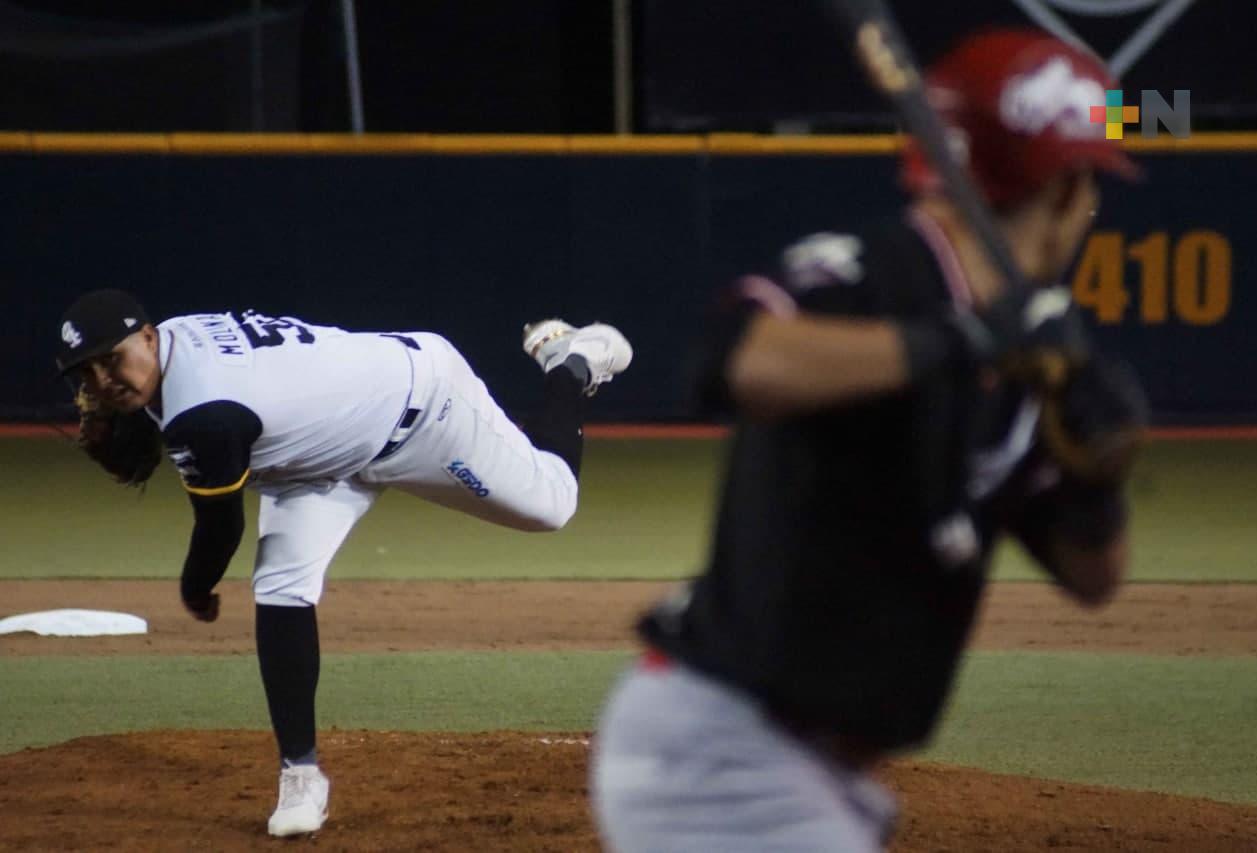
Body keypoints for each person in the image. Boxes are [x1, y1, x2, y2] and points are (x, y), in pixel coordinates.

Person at [590, 28, 1148, 852]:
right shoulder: (879, 273)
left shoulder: (1031, 358)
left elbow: (1093, 577)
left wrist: (1099, 480)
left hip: (810, 773)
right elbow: (736, 361)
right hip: (725, 754)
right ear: (1067, 191)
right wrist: (963, 343)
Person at [54, 292, 631, 837]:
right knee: (280, 587)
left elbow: (220, 527)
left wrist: (195, 587)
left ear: (149, 338)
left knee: (552, 505)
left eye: (112, 360)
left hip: (422, 409)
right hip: (314, 460)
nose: (104, 381)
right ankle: (300, 777)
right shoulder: (175, 346)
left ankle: (570, 362)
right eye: (87, 372)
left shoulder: (204, 412)